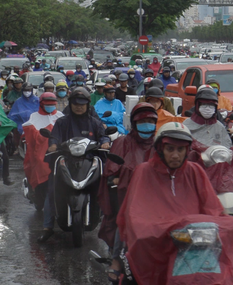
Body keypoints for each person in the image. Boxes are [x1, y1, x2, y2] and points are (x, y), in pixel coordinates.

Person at [116, 122, 233, 285]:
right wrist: (164, 228)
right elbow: (134, 216)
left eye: (180, 150)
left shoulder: (195, 171)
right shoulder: (144, 172)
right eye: (170, 149)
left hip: (190, 245)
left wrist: (229, 228)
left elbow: (212, 209)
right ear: (160, 149)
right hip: (154, 244)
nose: (175, 155)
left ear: (187, 151)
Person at [39, 88, 110, 242]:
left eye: (82, 103)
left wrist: (105, 142)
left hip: (89, 160)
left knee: (108, 187)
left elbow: (103, 137)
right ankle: (47, 227)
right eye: (75, 103)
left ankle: (110, 224)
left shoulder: (95, 122)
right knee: (52, 188)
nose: (79, 106)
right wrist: (53, 144)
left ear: (87, 105)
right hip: (66, 160)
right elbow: (54, 137)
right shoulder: (62, 122)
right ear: (70, 104)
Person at [98, 103, 158, 283]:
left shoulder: (163, 143)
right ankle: (116, 259)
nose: (147, 125)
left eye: (150, 121)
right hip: (129, 199)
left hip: (158, 199)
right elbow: (111, 173)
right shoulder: (122, 142)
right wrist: (123, 180)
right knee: (125, 220)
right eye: (142, 121)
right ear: (133, 123)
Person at [22, 93, 63, 211]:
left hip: (60, 151)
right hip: (42, 152)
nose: (50, 106)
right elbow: (28, 133)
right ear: (41, 104)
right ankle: (39, 194)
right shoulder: (34, 117)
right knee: (41, 164)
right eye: (47, 104)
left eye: (52, 104)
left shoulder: (60, 116)